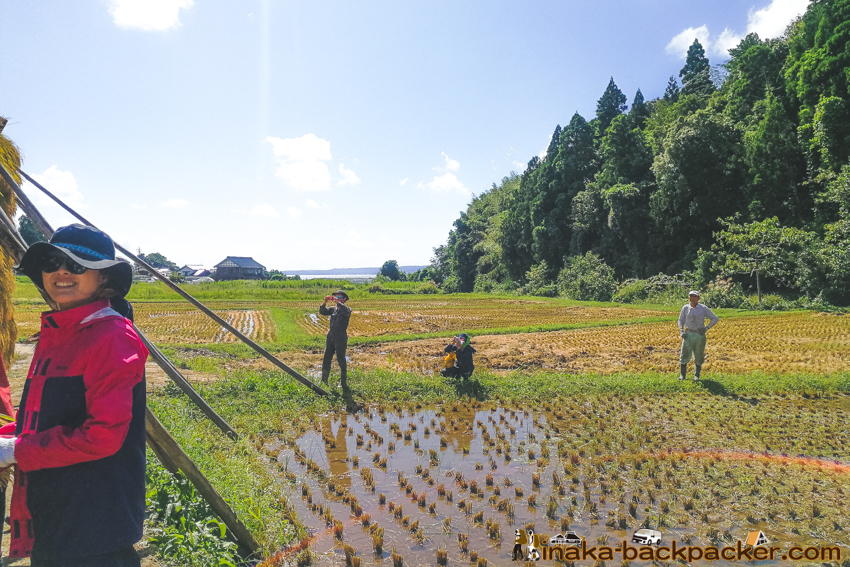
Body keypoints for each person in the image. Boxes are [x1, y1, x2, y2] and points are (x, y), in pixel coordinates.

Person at [0, 224, 148, 566]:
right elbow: (45, 417)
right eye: (52, 261)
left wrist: (14, 450)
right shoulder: (63, 331)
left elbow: (101, 437)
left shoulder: (110, 337)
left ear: (104, 280)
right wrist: (8, 438)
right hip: (58, 511)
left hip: (93, 522)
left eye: (78, 265)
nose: (62, 270)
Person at [678, 290, 718, 381]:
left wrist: (706, 328)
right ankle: (682, 375)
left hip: (699, 335)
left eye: (695, 296)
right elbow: (680, 320)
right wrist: (681, 330)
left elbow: (715, 318)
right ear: (688, 297)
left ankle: (697, 375)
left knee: (699, 355)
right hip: (688, 334)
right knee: (684, 354)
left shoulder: (703, 308)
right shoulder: (685, 308)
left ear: (698, 298)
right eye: (691, 296)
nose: (692, 298)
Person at [320, 289, 351, 389]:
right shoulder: (333, 309)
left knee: (340, 358)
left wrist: (338, 303)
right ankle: (324, 380)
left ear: (344, 299)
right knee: (326, 358)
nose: (336, 299)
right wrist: (324, 302)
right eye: (335, 297)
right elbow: (322, 312)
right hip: (331, 336)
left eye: (339, 297)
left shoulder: (347, 309)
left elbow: (346, 312)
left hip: (340, 337)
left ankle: (343, 381)